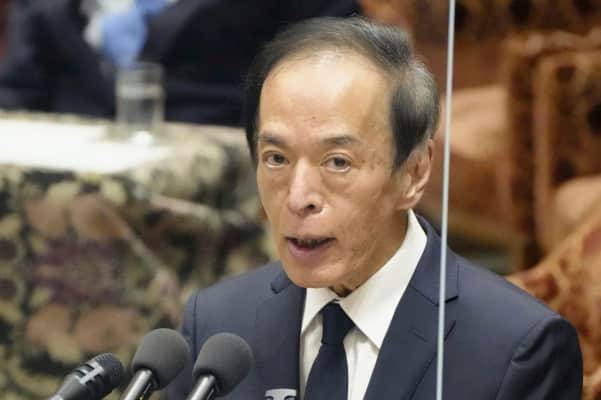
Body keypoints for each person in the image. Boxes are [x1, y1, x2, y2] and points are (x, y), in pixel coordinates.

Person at [164, 17, 583, 400]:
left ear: (414, 172)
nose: (297, 197)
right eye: (276, 158)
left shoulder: (517, 349)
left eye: (337, 162)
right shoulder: (215, 326)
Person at [0, 0, 360, 126]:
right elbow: (16, 91)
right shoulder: (47, 9)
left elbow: (333, 64)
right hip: (61, 178)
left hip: (216, 182)